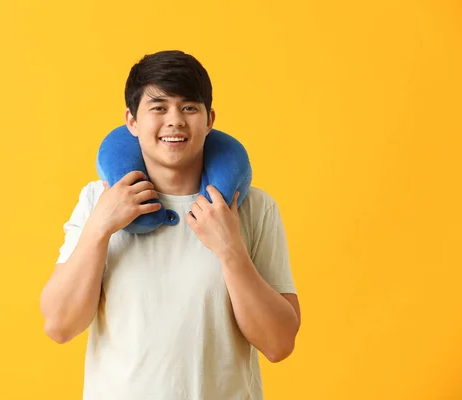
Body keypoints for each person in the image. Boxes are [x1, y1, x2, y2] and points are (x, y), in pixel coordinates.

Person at [39, 50, 301, 400]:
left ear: (209, 120)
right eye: (158, 107)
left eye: (189, 107)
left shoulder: (253, 207)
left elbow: (278, 344)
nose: (175, 120)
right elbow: (59, 326)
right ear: (131, 121)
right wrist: (100, 227)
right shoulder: (95, 201)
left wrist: (230, 250)